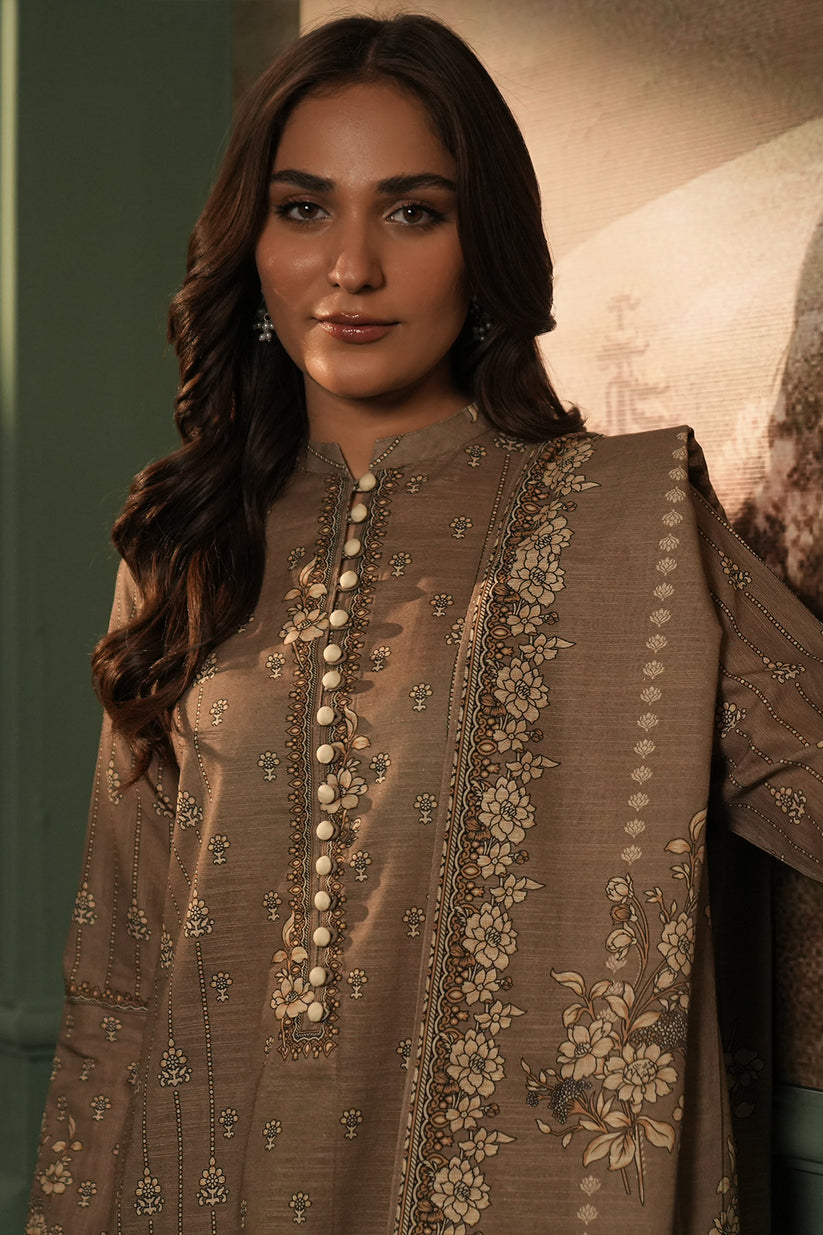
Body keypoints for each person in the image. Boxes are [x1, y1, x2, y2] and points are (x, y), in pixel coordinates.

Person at [26, 13, 823, 1235]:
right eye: (303, 209)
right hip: (197, 1190)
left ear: (481, 241)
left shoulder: (629, 528)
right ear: (252, 244)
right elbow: (118, 978)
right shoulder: (185, 546)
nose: (351, 266)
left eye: (412, 211)